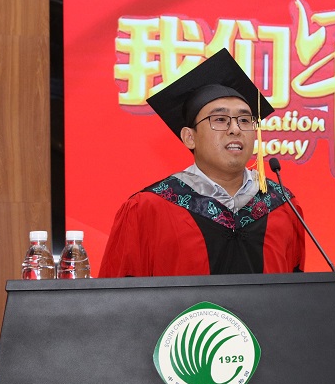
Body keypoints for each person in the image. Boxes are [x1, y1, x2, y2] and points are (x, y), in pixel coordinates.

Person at [99, 50, 307, 276]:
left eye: (245, 120)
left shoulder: (283, 205)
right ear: (190, 137)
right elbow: (118, 291)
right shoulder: (149, 209)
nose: (235, 129)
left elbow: (296, 290)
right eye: (220, 119)